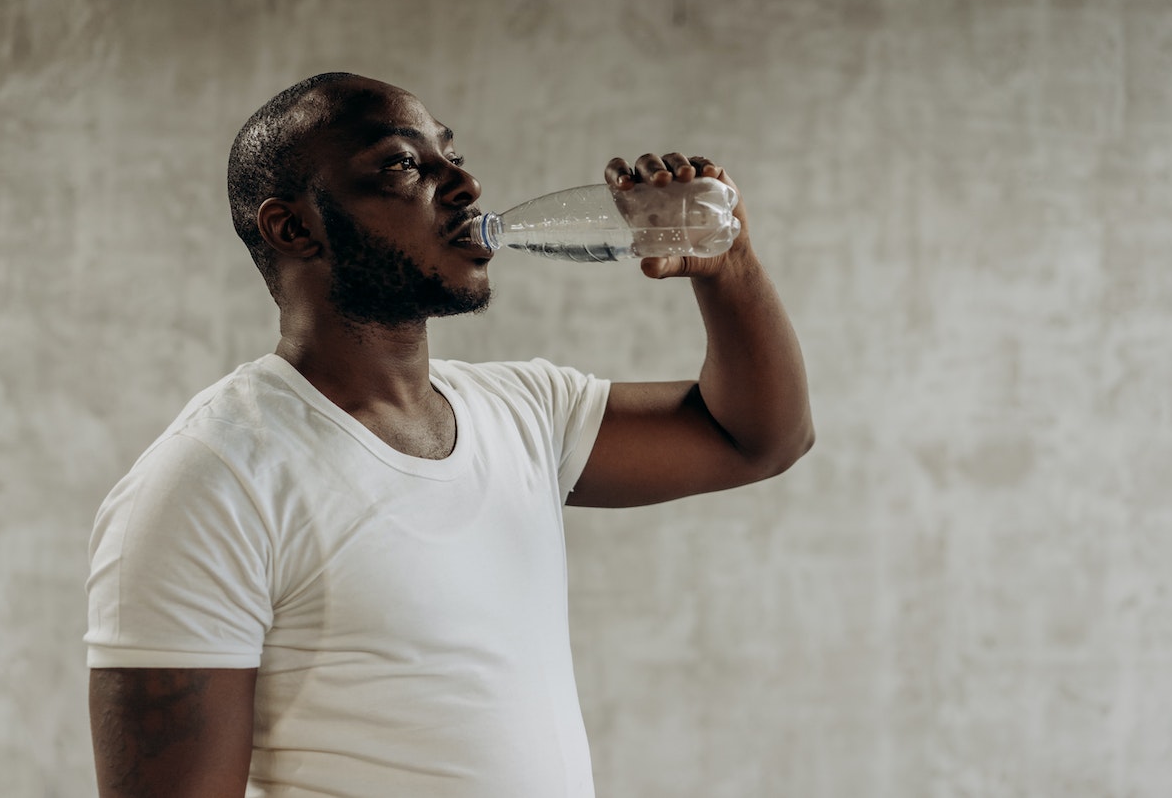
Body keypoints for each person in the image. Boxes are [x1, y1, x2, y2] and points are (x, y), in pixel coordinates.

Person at [85, 72, 814, 798]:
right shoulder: (211, 482)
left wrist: (729, 267)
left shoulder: (523, 410)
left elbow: (759, 438)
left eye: (450, 153)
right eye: (404, 165)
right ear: (294, 226)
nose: (463, 182)